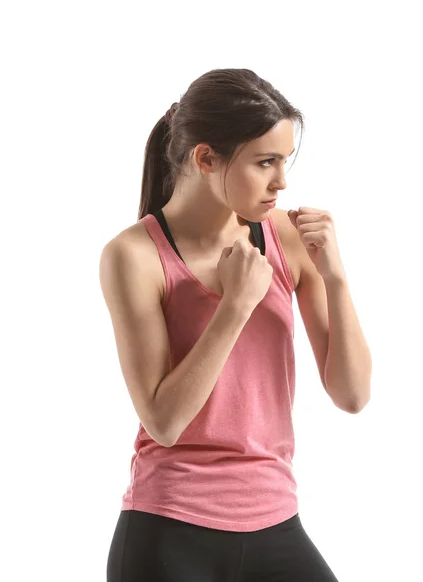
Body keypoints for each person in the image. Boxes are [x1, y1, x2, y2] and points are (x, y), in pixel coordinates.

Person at [100, 68, 340, 581]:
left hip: (276, 518)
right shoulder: (134, 256)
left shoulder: (285, 236)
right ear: (206, 158)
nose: (282, 181)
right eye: (265, 162)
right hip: (168, 531)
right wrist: (235, 308)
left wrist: (335, 279)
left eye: (284, 160)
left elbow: (354, 394)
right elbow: (164, 423)